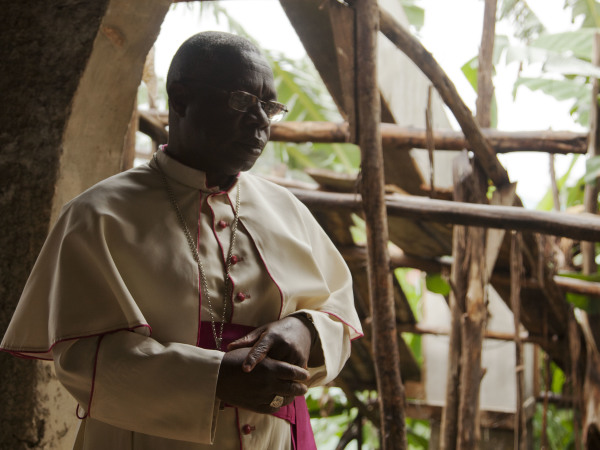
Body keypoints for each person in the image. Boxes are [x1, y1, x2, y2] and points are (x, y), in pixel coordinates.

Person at [1, 31, 362, 449]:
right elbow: (81, 358)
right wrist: (214, 379)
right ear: (181, 96)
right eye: (242, 100)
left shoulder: (289, 211)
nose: (260, 120)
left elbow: (337, 311)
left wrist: (305, 329)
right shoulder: (99, 214)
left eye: (269, 107)